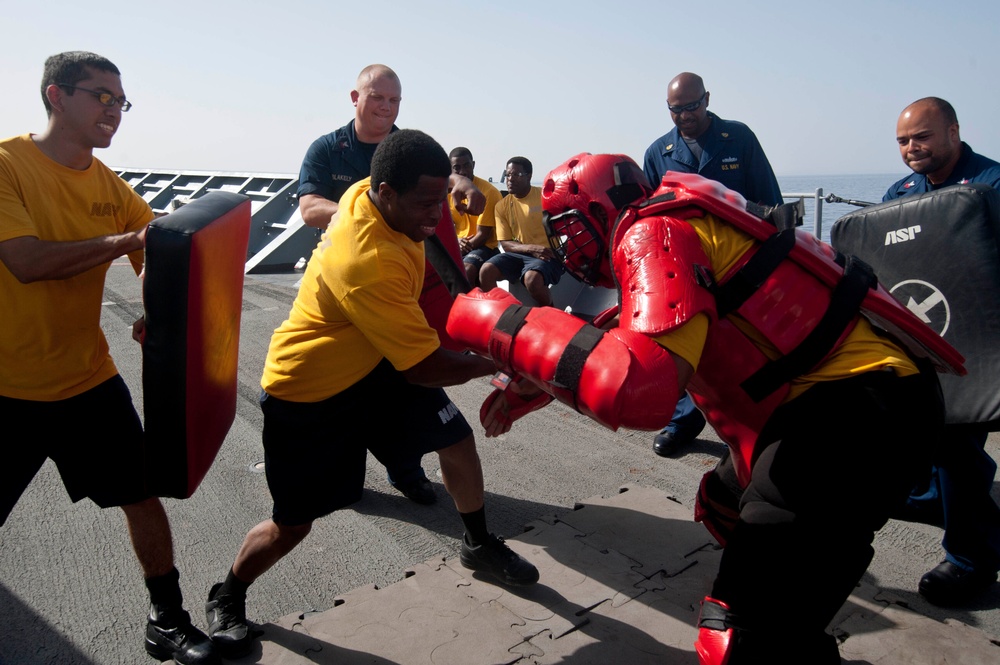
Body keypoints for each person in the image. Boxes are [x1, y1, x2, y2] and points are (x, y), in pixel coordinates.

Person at [447, 153, 957, 664]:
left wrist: (502, 324)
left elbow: (641, 389)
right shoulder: (674, 222)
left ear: (601, 211)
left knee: (737, 636)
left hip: (863, 410)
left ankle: (779, 632)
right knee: (725, 500)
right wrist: (524, 393)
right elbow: (622, 332)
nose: (565, 245)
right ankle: (798, 632)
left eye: (569, 228)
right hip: (851, 400)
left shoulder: (653, 233)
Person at [204, 130, 539, 659]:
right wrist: (500, 361)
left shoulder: (371, 190)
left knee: (456, 438)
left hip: (377, 360)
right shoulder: (368, 260)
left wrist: (456, 182)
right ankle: (227, 594)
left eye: (441, 202)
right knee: (293, 524)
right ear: (385, 193)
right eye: (424, 205)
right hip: (310, 389)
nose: (436, 217)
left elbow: (427, 181)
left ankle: (477, 543)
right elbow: (427, 366)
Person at [0, 52, 217, 665]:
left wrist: (159, 310)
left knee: (140, 496)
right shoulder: (7, 165)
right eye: (100, 96)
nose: (113, 110)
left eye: (121, 100)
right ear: (56, 95)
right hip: (7, 385)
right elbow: (26, 261)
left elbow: (160, 259)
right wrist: (129, 241)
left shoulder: (112, 188)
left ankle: (166, 619)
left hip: (86, 380)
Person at [295, 64, 448, 505]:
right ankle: (344, 472)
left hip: (400, 278)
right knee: (344, 385)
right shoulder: (326, 150)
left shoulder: (409, 148)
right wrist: (362, 214)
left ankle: (407, 470)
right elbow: (308, 208)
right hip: (345, 278)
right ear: (355, 98)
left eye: (394, 101)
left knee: (405, 377)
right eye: (378, 97)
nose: (386, 107)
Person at [883, 96, 1000, 605]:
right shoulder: (900, 193)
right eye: (904, 141)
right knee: (915, 431)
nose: (912, 149)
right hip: (922, 340)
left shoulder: (992, 186)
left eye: (923, 137)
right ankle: (934, 498)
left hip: (980, 347)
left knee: (957, 448)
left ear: (953, 131)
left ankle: (971, 562)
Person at [643, 72, 784, 459]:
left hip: (743, 261)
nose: (686, 115)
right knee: (690, 340)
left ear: (707, 98)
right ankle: (684, 421)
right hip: (689, 264)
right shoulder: (658, 152)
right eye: (677, 109)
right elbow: (651, 215)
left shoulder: (738, 137)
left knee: (748, 342)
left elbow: (768, 200)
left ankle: (759, 420)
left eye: (692, 106)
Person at [479, 156, 563, 307]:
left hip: (547, 255)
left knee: (532, 280)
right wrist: (531, 248)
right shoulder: (501, 206)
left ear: (529, 176)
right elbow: (505, 244)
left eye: (516, 175)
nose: (510, 179)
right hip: (520, 254)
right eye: (508, 175)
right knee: (486, 271)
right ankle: (503, 311)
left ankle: (551, 310)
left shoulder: (545, 197)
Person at [449, 146, 503, 287]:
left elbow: (483, 235)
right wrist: (456, 242)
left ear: (473, 165)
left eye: (467, 165)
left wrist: (458, 248)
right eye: (457, 168)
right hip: (460, 243)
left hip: (485, 247)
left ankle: (469, 307)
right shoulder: (448, 192)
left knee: (467, 270)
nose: (463, 171)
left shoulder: (488, 192)